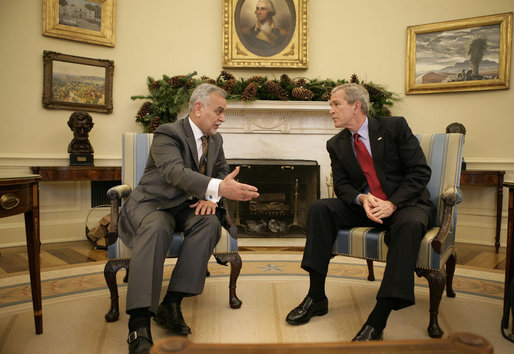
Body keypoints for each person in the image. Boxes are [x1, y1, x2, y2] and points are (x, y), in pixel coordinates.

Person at [285, 83, 436, 341]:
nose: (330, 110)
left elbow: (419, 172)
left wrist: (393, 203)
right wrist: (361, 198)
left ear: (356, 106)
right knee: (320, 208)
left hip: (405, 205)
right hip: (367, 207)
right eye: (330, 105)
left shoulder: (394, 127)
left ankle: (379, 316)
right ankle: (316, 296)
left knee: (409, 225)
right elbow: (342, 186)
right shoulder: (336, 143)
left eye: (335, 104)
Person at [119, 83, 259, 354]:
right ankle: (139, 323)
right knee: (156, 228)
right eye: (219, 111)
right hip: (153, 204)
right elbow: (175, 172)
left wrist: (212, 197)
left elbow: (222, 170)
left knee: (209, 224)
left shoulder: (215, 139)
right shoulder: (167, 133)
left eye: (224, 112)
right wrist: (218, 187)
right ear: (198, 108)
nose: (223, 118)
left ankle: (171, 303)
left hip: (187, 205)